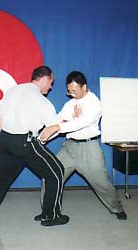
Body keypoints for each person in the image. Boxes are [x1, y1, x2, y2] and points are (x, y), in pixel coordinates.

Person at [0, 66, 69, 229]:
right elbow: (53, 127)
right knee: (57, 171)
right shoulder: (41, 100)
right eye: (51, 83)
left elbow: (0, 118)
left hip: (4, 140)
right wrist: (69, 121)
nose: (51, 87)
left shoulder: (13, 90)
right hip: (25, 142)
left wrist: (9, 140)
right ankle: (50, 215)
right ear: (45, 79)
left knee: (1, 181)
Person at [39, 71, 127, 220]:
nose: (71, 94)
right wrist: (41, 138)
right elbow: (58, 120)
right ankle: (48, 211)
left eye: (74, 90)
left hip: (89, 149)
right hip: (69, 147)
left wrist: (59, 127)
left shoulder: (94, 103)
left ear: (84, 87)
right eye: (69, 91)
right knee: (50, 175)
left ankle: (117, 208)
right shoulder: (70, 103)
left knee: (102, 183)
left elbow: (82, 122)